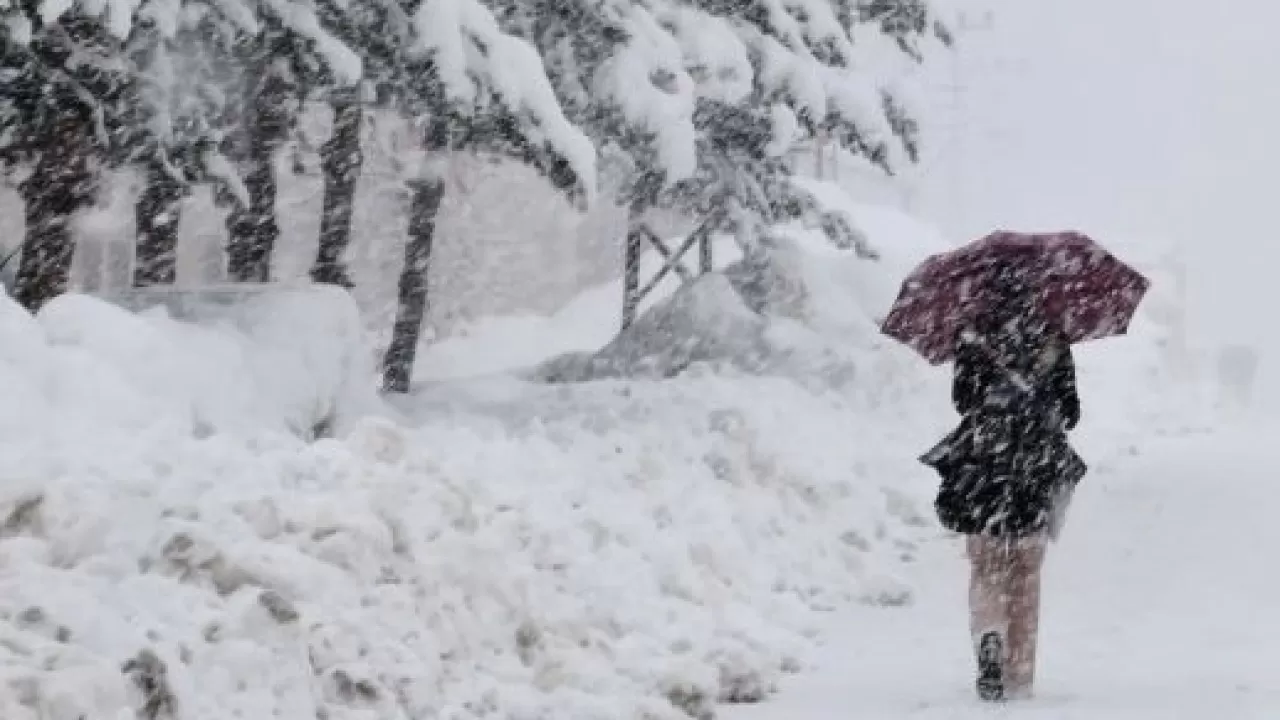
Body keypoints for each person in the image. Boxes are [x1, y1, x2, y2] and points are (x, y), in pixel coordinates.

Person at [920, 270, 1086, 702]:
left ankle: (989, 637)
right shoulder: (1052, 337)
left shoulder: (973, 335)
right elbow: (1070, 412)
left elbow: (962, 401)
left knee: (986, 568)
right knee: (1026, 577)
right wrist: (1040, 403)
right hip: (1035, 471)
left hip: (984, 475)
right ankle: (1019, 672)